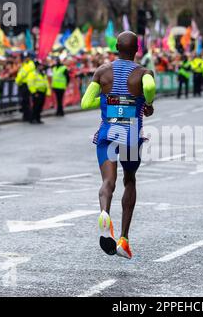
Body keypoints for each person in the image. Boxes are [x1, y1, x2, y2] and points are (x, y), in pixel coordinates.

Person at [80, 31, 156, 259]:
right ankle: (124, 238)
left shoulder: (102, 72)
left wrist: (104, 98)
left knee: (107, 182)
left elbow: (85, 103)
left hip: (107, 133)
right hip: (130, 135)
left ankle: (104, 213)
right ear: (137, 50)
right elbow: (150, 87)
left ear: (116, 47)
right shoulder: (143, 72)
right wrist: (148, 103)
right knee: (129, 180)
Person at [15, 52, 36, 122]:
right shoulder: (26, 64)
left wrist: (17, 81)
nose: (25, 58)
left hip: (26, 85)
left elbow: (22, 75)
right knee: (25, 102)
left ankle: (28, 116)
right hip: (25, 84)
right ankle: (26, 116)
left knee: (26, 102)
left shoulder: (29, 65)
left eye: (26, 57)